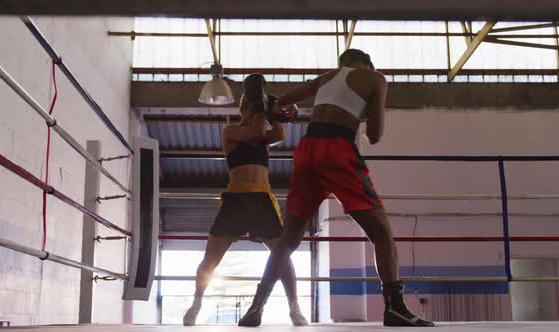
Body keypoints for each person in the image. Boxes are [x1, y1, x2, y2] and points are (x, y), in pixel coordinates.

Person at [238, 49, 434, 327]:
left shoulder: (327, 77)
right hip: (338, 150)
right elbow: (375, 136)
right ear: (366, 64)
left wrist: (289, 111)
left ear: (341, 65)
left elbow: (282, 101)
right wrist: (364, 119)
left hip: (307, 149)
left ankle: (256, 308)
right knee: (381, 232)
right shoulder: (375, 78)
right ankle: (395, 308)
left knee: (288, 239)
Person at [182, 75, 308, 327]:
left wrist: (276, 111)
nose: (256, 111)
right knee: (211, 259)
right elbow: (256, 130)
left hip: (261, 199)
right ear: (244, 109)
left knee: (282, 256)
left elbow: (279, 132)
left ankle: (294, 308)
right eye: (254, 106)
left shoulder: (262, 135)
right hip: (236, 200)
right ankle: (196, 302)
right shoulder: (232, 131)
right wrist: (262, 108)